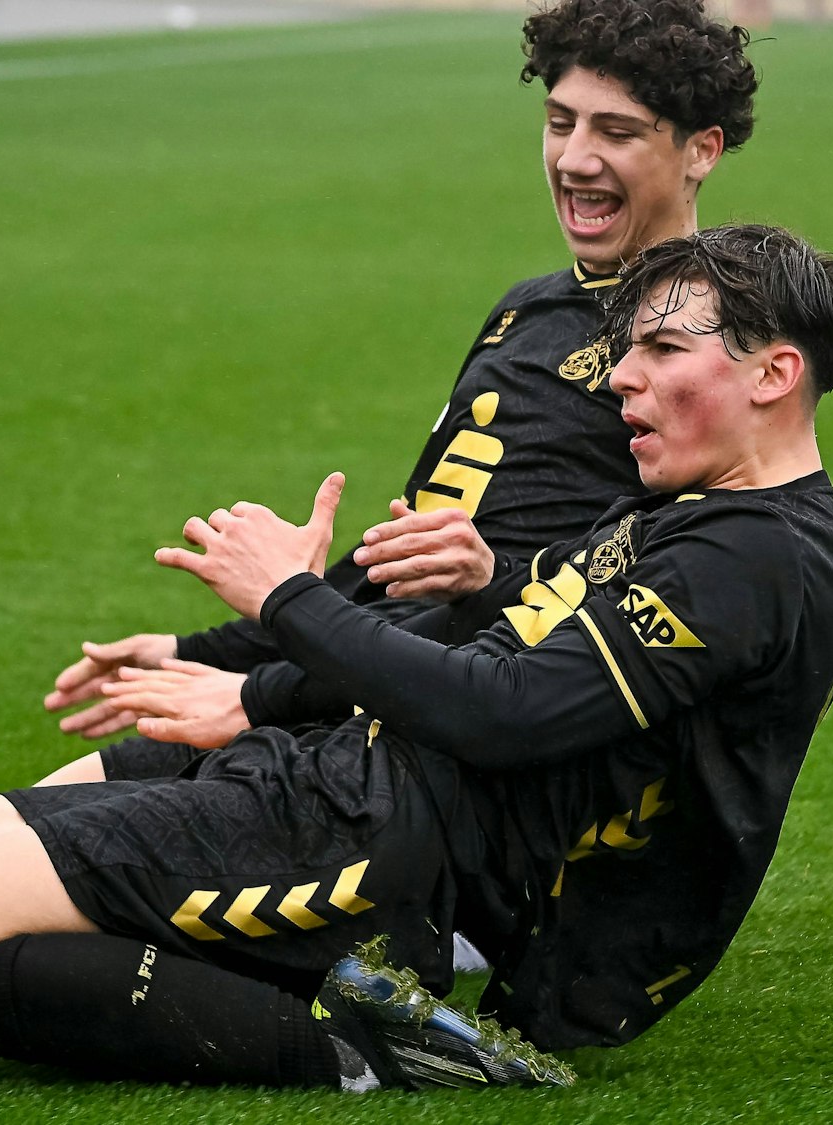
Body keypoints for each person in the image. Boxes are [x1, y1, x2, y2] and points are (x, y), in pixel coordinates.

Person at [0, 224, 833, 1090]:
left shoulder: (762, 557)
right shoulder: (693, 507)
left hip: (382, 836)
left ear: (774, 373)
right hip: (341, 764)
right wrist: (256, 689)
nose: (625, 378)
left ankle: (360, 1044)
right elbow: (479, 637)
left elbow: (502, 711)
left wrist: (289, 599)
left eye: (663, 350)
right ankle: (271, 980)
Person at [37, 0, 761, 768]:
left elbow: (643, 594)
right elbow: (403, 560)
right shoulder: (528, 308)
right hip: (348, 684)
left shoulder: (706, 348)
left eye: (615, 133)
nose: (575, 159)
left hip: (442, 737)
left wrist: (262, 687)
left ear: (702, 150)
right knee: (9, 815)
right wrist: (201, 651)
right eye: (559, 123)